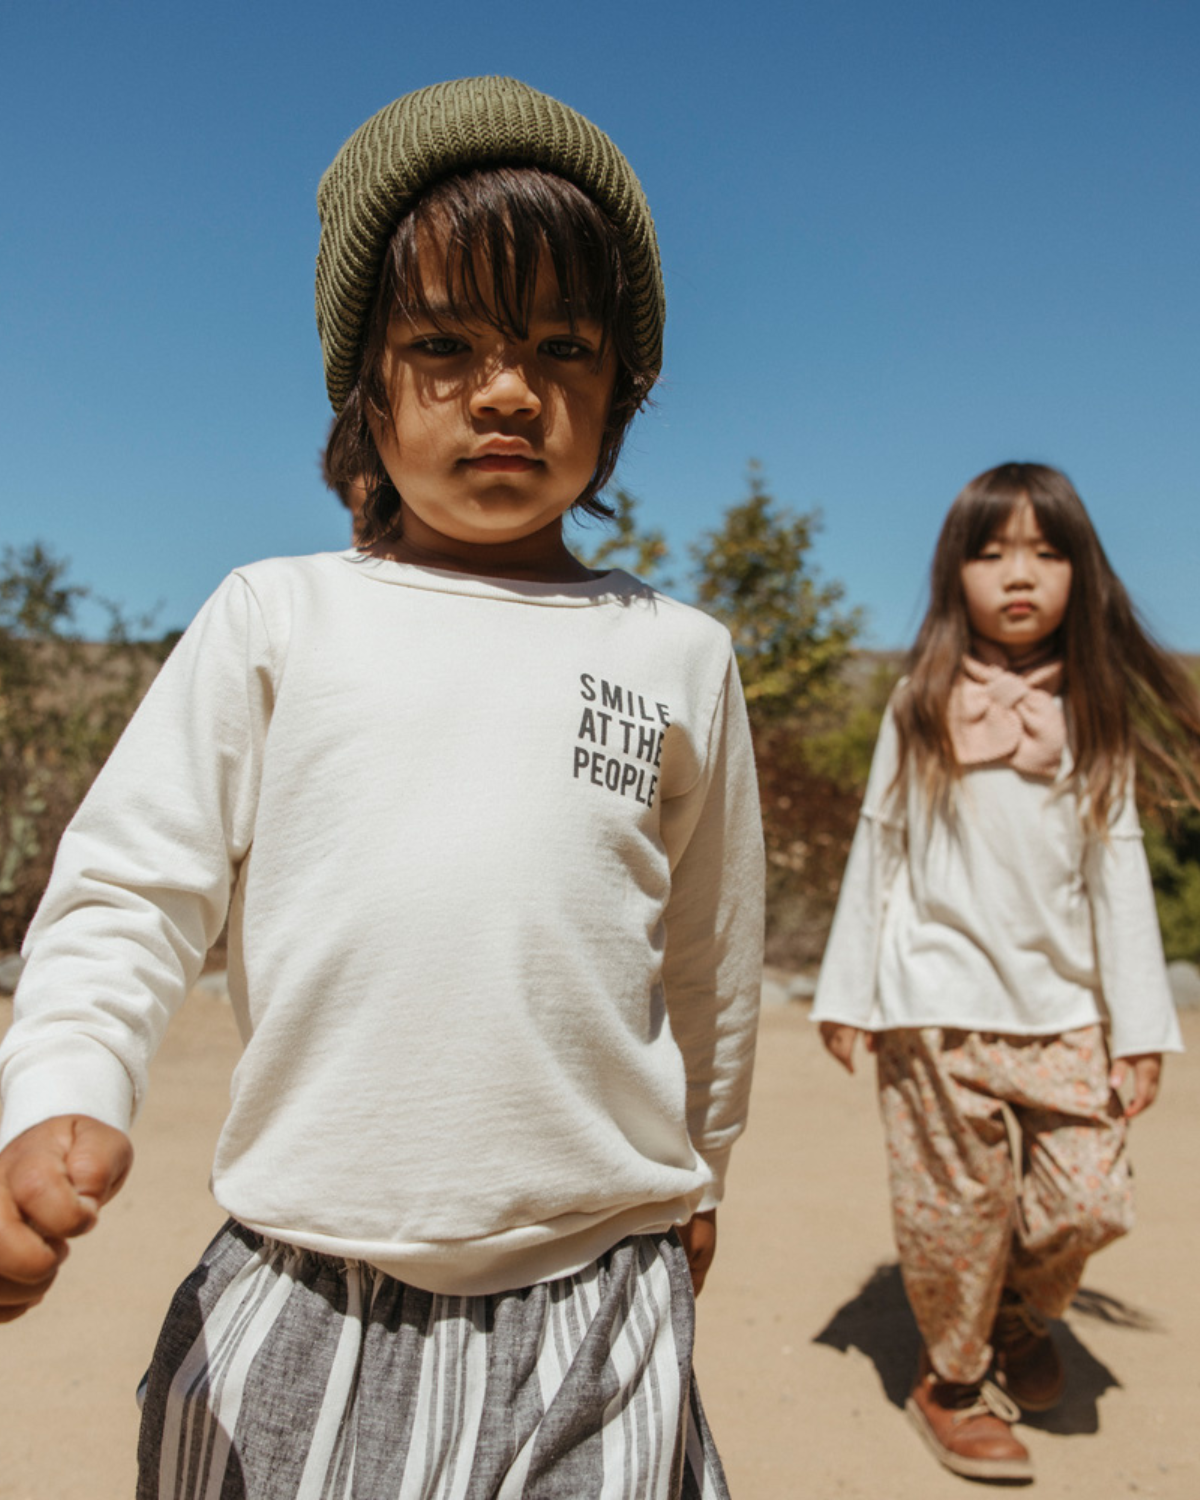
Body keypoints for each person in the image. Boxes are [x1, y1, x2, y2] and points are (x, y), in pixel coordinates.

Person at [0, 77, 765, 1499]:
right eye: (445, 343)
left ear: (625, 384)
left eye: (562, 347)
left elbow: (710, 956)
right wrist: (58, 1086)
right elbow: (127, 889)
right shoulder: (280, 617)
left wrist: (702, 1171)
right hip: (308, 1298)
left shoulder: (675, 653)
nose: (508, 389)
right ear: (366, 377)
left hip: (600, 1303)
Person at [812, 461, 1200, 1483]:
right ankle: (948, 1379)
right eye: (991, 553)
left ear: (1083, 572)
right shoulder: (920, 701)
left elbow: (1119, 880)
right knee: (956, 1214)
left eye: (1044, 550)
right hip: (934, 1006)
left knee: (1087, 1202)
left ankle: (1018, 1311)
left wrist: (1142, 1027)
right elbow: (879, 847)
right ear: (955, 574)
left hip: (1066, 1011)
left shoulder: (1097, 711)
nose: (1017, 574)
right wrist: (849, 993)